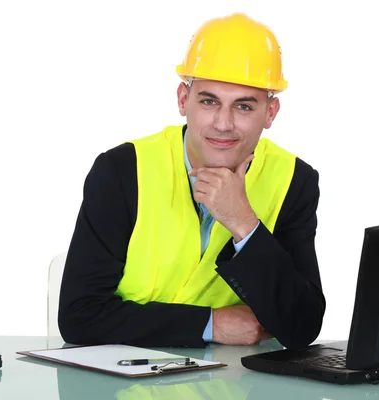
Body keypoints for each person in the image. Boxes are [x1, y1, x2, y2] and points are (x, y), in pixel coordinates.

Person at [58, 12, 326, 350]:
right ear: (183, 100)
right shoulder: (122, 171)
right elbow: (78, 316)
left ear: (270, 113)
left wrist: (244, 223)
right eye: (209, 101)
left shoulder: (293, 181)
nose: (223, 124)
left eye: (244, 107)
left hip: (230, 385)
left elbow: (302, 326)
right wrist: (210, 324)